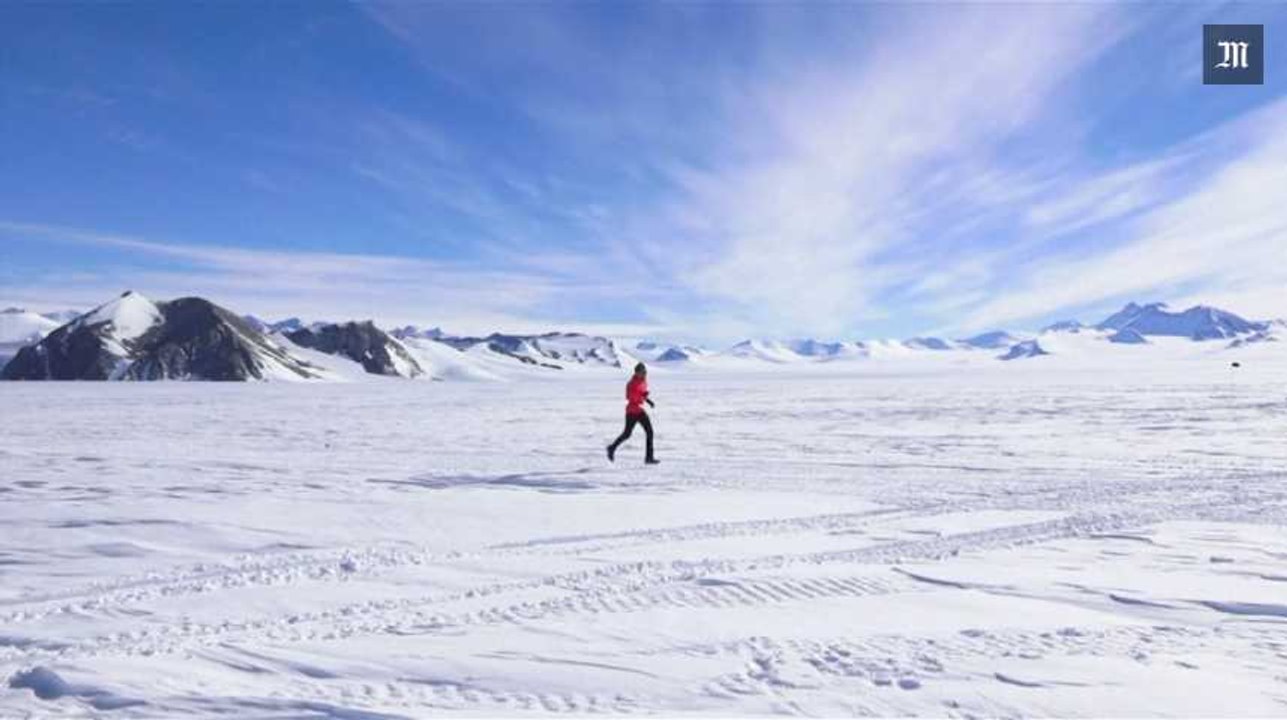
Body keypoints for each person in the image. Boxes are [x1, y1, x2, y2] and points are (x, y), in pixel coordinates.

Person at [607, 362, 658, 464]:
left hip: (639, 410)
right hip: (632, 411)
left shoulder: (643, 381)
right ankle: (612, 448)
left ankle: (649, 458)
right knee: (627, 434)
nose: (644, 373)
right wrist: (643, 397)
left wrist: (648, 400)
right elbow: (630, 397)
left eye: (645, 371)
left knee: (649, 432)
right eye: (642, 372)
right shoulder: (631, 384)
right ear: (637, 372)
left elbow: (642, 393)